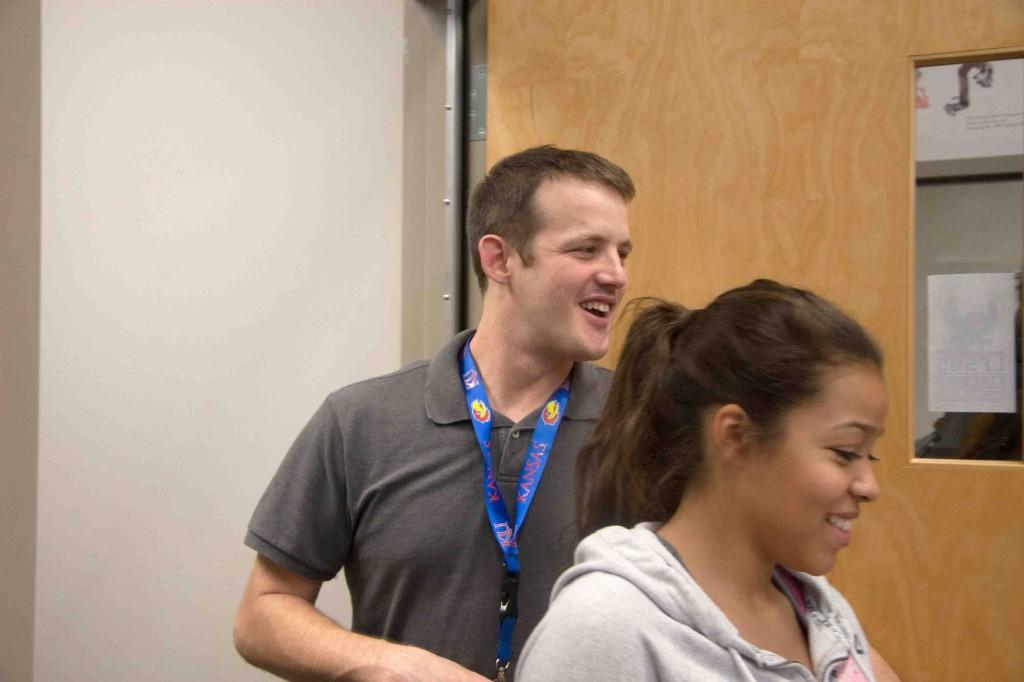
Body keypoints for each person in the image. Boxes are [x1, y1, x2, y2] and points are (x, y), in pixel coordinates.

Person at [233, 145, 635, 681]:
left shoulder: (643, 424)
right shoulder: (360, 422)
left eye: (622, 253)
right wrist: (386, 662)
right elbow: (263, 611)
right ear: (500, 259)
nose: (616, 276)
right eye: (586, 250)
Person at [517, 280, 903, 681]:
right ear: (735, 435)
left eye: (868, 454)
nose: (868, 486)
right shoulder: (604, 632)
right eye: (844, 452)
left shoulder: (824, 614)